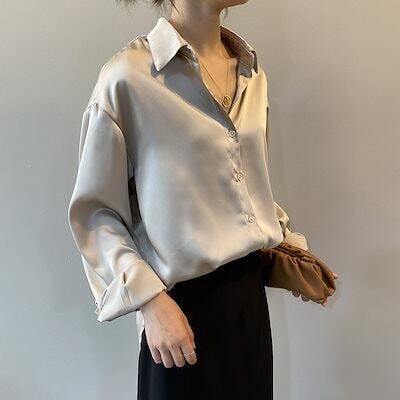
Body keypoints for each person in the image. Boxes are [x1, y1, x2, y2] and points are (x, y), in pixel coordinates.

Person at [67, 1, 338, 399]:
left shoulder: (250, 73)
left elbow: (248, 186)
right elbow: (96, 213)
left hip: (247, 304)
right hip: (179, 312)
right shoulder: (129, 77)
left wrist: (288, 248)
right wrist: (149, 301)